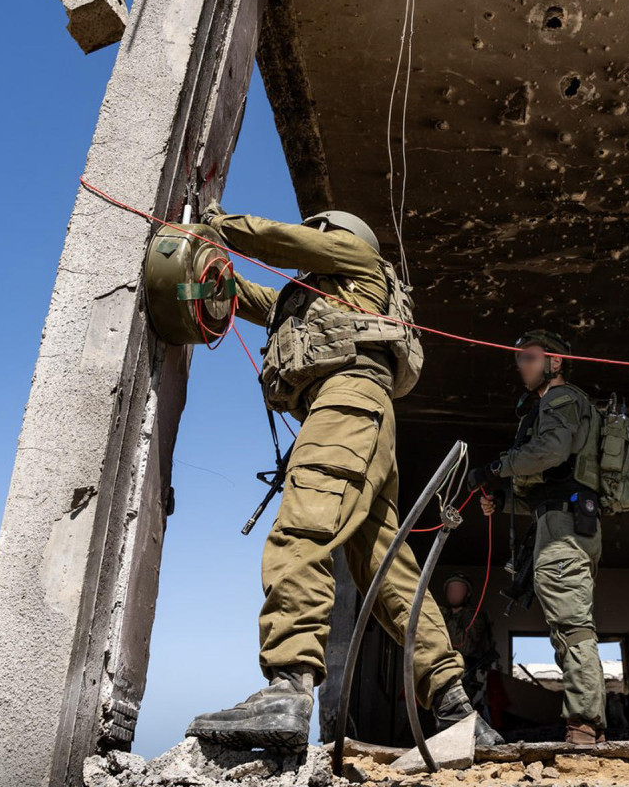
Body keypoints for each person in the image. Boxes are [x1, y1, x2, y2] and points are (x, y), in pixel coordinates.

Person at [184, 203, 503, 750]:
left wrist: (215, 225)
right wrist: (214, 275)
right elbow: (257, 298)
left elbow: (282, 244)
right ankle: (455, 707)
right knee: (387, 568)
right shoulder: (322, 296)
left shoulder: (358, 259)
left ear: (333, 237)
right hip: (362, 414)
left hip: (345, 404)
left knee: (304, 527)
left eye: (318, 239)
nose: (310, 253)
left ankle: (288, 687)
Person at [468, 330, 607, 745]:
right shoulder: (560, 404)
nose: (521, 366)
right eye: (518, 359)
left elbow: (550, 452)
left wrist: (496, 469)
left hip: (566, 527)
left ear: (555, 362)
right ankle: (589, 725)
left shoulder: (560, 400)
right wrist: (504, 498)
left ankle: (584, 724)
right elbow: (555, 482)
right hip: (564, 518)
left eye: (528, 357)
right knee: (569, 620)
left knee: (571, 622)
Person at [439, 572, 498, 712]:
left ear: (467, 594)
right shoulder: (443, 614)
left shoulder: (474, 616)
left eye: (459, 589)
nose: (454, 593)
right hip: (442, 678)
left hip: (464, 681)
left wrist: (445, 619)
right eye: (451, 589)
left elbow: (466, 646)